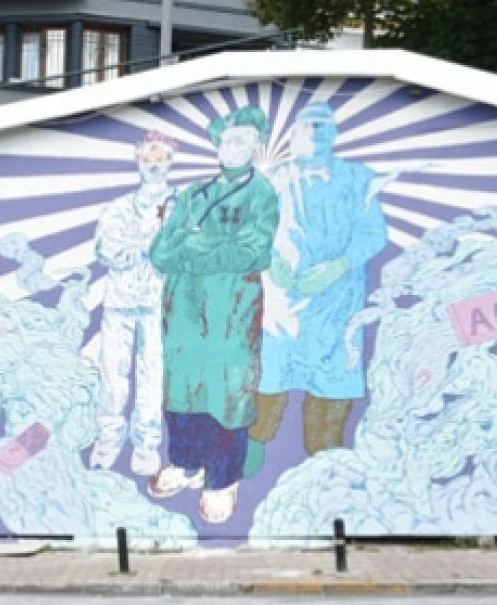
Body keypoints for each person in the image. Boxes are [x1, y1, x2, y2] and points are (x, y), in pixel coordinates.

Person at [148, 106, 279, 524]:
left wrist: (195, 247)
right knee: (182, 387)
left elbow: (253, 251)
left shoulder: (261, 194)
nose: (232, 147)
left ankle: (222, 479)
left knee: (227, 392)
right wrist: (202, 246)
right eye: (226, 140)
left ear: (257, 147)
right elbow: (161, 251)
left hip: (230, 313)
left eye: (242, 140)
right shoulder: (193, 195)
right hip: (184, 312)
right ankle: (185, 462)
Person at [249, 101, 389, 463]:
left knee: (331, 388)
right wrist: (272, 260)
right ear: (293, 135)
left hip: (337, 303)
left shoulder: (357, 179)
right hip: (281, 305)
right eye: (308, 126)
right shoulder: (271, 180)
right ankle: (249, 464)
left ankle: (325, 466)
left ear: (335, 134)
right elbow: (252, 229)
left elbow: (373, 233)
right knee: (269, 383)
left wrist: (339, 266)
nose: (316, 134)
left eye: (323, 126)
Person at [89, 131, 178, 476]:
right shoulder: (120, 207)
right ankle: (109, 438)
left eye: (161, 159)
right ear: (138, 162)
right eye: (147, 160)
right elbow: (107, 249)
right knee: (113, 374)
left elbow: (179, 250)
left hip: (160, 303)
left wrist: (148, 247)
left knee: (152, 375)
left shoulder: (181, 206)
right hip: (120, 302)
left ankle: (146, 444)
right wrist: (148, 247)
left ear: (171, 162)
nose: (154, 167)